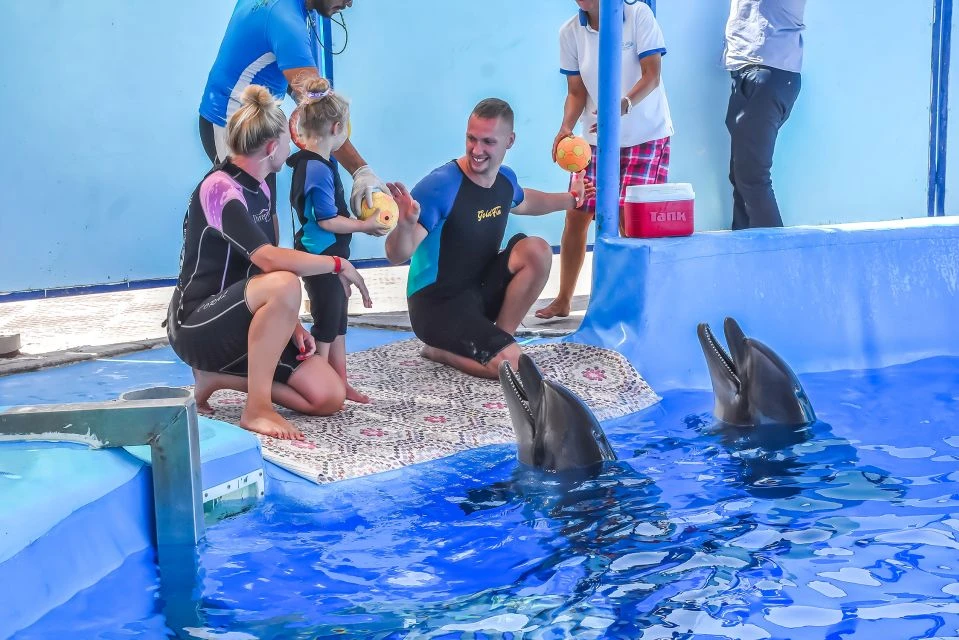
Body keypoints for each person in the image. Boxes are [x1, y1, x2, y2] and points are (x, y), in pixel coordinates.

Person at [167, 85, 373, 440]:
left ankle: (217, 377)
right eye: (288, 140)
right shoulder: (219, 188)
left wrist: (290, 323)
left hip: (241, 319)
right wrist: (337, 264)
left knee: (328, 396)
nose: (293, 146)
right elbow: (269, 260)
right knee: (285, 282)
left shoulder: (262, 185)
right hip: (198, 325)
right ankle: (257, 408)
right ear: (273, 147)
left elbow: (264, 268)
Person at [384, 98, 594, 380]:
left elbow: (528, 200)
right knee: (513, 368)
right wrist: (405, 226)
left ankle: (500, 338)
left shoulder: (504, 179)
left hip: (479, 292)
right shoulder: (441, 186)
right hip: (437, 306)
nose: (477, 150)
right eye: (471, 139)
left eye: (488, 142)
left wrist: (572, 199)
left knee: (538, 250)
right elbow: (395, 255)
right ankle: (441, 351)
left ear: (510, 141)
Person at [536, 0, 673, 320]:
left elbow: (652, 75)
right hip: (597, 137)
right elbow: (576, 91)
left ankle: (634, 301)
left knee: (629, 221)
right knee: (577, 213)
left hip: (645, 134)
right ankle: (564, 299)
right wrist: (566, 128)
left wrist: (623, 103)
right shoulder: (570, 32)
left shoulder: (637, 14)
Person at [198, 0, 387, 218]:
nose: (349, 3)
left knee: (265, 222)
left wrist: (305, 95)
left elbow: (286, 72)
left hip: (256, 122)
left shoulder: (287, 10)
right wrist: (360, 171)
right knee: (249, 229)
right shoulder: (285, 21)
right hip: (231, 125)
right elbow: (324, 118)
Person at [287, 77, 391, 405]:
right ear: (336, 127)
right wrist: (365, 224)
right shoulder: (315, 169)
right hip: (320, 256)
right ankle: (321, 385)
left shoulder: (324, 161)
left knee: (339, 321)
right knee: (327, 323)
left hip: (332, 252)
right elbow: (326, 220)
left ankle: (341, 383)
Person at [724, 0, 805, 229]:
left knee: (751, 177)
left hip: (767, 71)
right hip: (754, 72)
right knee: (742, 177)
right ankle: (747, 254)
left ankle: (776, 259)